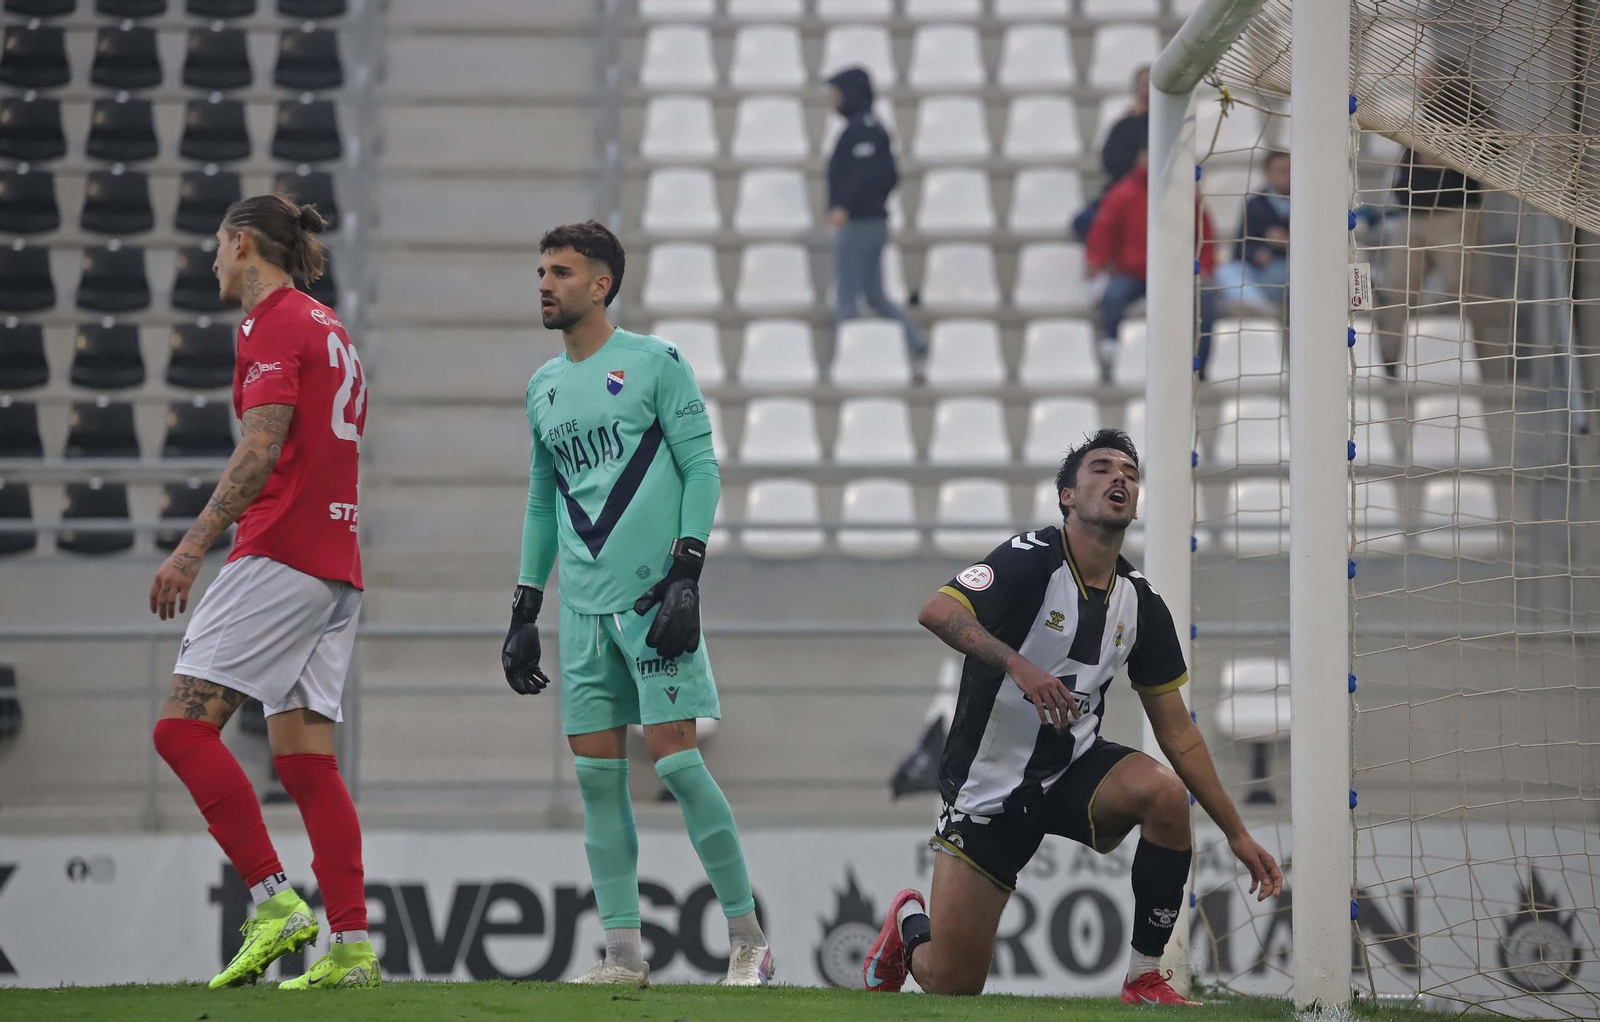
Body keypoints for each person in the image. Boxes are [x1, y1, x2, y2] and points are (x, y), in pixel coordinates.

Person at [861, 429, 1284, 1005]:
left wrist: (1235, 831)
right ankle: (909, 922)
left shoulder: (1142, 601)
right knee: (952, 982)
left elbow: (1177, 730)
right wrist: (1019, 665)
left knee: (1163, 796)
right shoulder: (1028, 561)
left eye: (1130, 473)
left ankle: (1143, 978)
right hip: (989, 789)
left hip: (1072, 769)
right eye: (1101, 468)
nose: (1119, 479)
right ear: (1066, 495)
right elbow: (936, 611)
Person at [503, 220, 773, 988]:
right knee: (596, 781)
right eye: (541, 271)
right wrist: (526, 608)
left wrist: (689, 571)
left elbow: (702, 469)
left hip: (654, 599)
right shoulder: (541, 386)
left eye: (561, 271)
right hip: (581, 613)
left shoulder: (657, 364)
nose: (545, 284)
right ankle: (623, 957)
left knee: (680, 763)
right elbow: (540, 500)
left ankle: (749, 940)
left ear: (601, 284)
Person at [148, 194, 377, 990]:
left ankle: (274, 902)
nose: (212, 261)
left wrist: (190, 546)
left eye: (217, 246)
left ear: (243, 243)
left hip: (280, 553)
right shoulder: (330, 325)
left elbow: (262, 444)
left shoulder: (272, 322)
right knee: (306, 759)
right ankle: (351, 947)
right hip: (337, 565)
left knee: (180, 732)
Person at [1086, 148, 1220, 381]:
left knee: (1204, 298)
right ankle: (1111, 348)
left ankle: (1201, 361)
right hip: (1133, 272)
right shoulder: (1123, 194)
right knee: (1113, 295)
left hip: (1176, 272)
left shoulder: (1185, 194)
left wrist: (1206, 265)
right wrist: (1096, 260)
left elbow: (1203, 232)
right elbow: (1103, 230)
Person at [825, 66, 927, 363]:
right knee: (875, 296)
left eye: (837, 93)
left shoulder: (862, 130)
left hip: (859, 224)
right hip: (874, 222)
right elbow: (890, 175)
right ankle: (916, 340)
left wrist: (844, 205)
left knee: (847, 301)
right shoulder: (874, 128)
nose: (833, 100)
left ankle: (851, 359)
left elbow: (866, 174)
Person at [1073, 65, 1150, 241]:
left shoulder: (1163, 124)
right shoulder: (1123, 126)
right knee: (1084, 222)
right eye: (1143, 83)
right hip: (1122, 192)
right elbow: (1109, 160)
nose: (1147, 89)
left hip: (1151, 194)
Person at [1215, 150, 1290, 312]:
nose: (1288, 176)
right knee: (1225, 271)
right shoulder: (1256, 204)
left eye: (1291, 170)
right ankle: (1262, 312)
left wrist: (1289, 242)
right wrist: (1258, 253)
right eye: (1282, 171)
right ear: (1268, 175)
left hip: (1294, 271)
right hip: (1263, 272)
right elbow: (1240, 248)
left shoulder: (1308, 204)